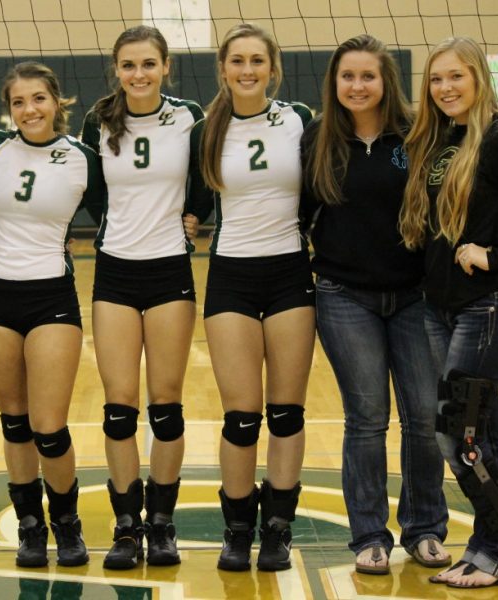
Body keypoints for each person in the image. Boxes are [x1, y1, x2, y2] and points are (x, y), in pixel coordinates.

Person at [300, 34, 450, 575]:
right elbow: (298, 212)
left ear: (386, 82)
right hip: (344, 296)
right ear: (334, 83)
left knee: (425, 417)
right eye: (347, 76)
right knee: (365, 419)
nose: (357, 86)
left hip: (415, 296)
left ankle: (425, 528)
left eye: (368, 76)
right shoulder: (317, 138)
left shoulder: (418, 135)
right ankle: (368, 535)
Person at [400, 36, 498, 589]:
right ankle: (491, 548)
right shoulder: (441, 142)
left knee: (458, 434)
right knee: (485, 433)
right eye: (436, 79)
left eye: (456, 76)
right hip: (443, 310)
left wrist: (497, 254)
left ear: (480, 78)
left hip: (488, 308)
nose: (445, 88)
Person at [81, 25, 207, 570]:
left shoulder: (188, 117)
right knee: (118, 406)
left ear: (166, 67)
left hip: (169, 270)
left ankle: (162, 523)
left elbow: (203, 177)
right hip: (114, 271)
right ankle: (126, 526)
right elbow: (89, 190)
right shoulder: (98, 120)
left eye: (148, 64)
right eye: (129, 65)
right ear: (117, 68)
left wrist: (196, 216)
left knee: (166, 404)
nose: (139, 74)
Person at [191, 23, 314, 572]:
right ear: (223, 69)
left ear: (273, 68)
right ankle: (238, 529)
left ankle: (278, 530)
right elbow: (189, 200)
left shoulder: (299, 120)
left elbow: (320, 189)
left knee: (286, 413)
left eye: (256, 61)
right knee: (241, 416)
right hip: (231, 275)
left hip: (289, 271)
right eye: (236, 61)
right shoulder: (205, 129)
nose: (246, 70)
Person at [0, 61, 104, 568]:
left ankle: (67, 525)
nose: (29, 110)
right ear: (9, 110)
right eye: (18, 102)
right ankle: (31, 526)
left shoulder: (81, 158)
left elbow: (118, 208)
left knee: (50, 426)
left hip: (51, 293)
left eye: (38, 99)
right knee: (15, 423)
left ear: (57, 102)